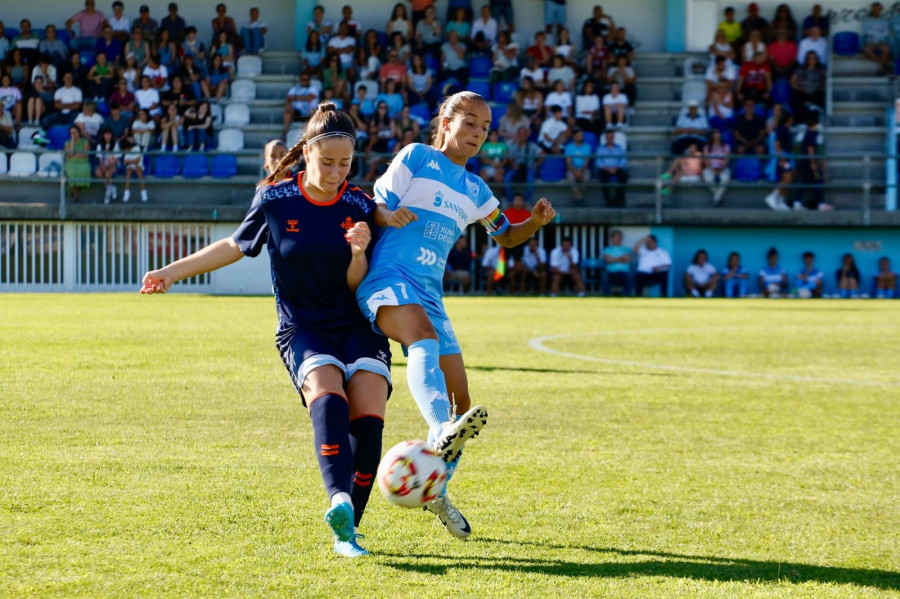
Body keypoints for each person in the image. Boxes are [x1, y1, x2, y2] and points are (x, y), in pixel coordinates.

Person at [141, 103, 388, 558]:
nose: (337, 173)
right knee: (329, 397)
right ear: (305, 155)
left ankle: (350, 520)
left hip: (358, 325)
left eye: (345, 164)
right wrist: (172, 272)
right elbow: (234, 246)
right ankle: (339, 511)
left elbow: (361, 281)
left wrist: (358, 253)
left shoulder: (358, 204)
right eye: (327, 162)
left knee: (369, 425)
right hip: (303, 327)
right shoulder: (274, 199)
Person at [354, 91, 557, 538]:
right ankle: (438, 428)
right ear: (445, 122)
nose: (479, 133)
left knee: (462, 401)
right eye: (470, 122)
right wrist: (389, 216)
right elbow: (375, 203)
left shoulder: (476, 190)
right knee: (423, 343)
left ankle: (433, 487)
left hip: (430, 292)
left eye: (485, 127)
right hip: (388, 277)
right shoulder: (417, 157)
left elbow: (504, 237)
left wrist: (536, 223)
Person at [795, 114, 832, 211]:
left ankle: (797, 202)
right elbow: (810, 148)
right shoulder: (812, 134)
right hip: (810, 164)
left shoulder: (807, 133)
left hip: (805, 163)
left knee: (804, 182)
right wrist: (813, 163)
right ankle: (821, 204)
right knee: (818, 179)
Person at [595, 129, 628, 207]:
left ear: (613, 137)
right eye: (608, 137)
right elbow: (598, 162)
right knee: (602, 177)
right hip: (605, 169)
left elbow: (623, 160)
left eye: (611, 137)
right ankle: (608, 200)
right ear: (606, 138)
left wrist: (616, 168)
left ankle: (618, 199)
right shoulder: (601, 149)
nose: (610, 139)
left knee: (624, 176)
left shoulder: (619, 148)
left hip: (617, 168)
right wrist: (607, 168)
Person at [282, 73, 320, 138]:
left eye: (307, 79)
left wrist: (295, 97)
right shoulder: (294, 89)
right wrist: (302, 97)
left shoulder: (313, 88)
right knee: (288, 107)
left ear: (309, 80)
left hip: (310, 112)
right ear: (300, 80)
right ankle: (285, 132)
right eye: (303, 79)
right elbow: (288, 98)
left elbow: (310, 97)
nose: (305, 81)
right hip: (297, 112)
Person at [702, 128, 731, 205]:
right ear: (712, 135)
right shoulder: (707, 147)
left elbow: (726, 160)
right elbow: (706, 161)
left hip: (723, 168)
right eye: (715, 133)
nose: (717, 134)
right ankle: (717, 198)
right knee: (708, 178)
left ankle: (716, 198)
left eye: (718, 133)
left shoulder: (726, 146)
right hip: (710, 168)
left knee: (725, 178)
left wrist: (721, 169)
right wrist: (713, 170)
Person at [564, 129, 592, 203]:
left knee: (586, 178)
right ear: (574, 137)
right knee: (570, 178)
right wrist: (575, 171)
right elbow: (568, 162)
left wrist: (581, 171)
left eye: (582, 135)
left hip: (584, 169)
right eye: (579, 135)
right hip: (572, 169)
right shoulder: (569, 147)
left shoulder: (587, 147)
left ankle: (577, 198)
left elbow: (587, 162)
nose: (581, 137)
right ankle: (580, 198)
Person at [862, 2, 891, 74]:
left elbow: (886, 32)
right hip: (871, 41)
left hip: (881, 41)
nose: (876, 10)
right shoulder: (866, 20)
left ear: (881, 10)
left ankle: (880, 67)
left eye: (878, 9)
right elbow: (866, 32)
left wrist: (875, 32)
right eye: (875, 9)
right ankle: (882, 64)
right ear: (872, 9)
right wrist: (878, 32)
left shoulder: (885, 20)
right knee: (867, 50)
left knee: (886, 49)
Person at [64, 125, 91, 202]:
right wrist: (72, 140)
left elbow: (84, 155)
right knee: (72, 172)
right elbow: (69, 153)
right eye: (71, 133)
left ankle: (74, 190)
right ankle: (75, 193)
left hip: (83, 162)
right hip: (71, 163)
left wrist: (73, 155)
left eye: (75, 132)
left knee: (85, 169)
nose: (74, 134)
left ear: (79, 132)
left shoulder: (85, 142)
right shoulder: (67, 143)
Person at [602, 229, 632, 296]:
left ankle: (627, 296)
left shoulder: (626, 249)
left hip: (624, 272)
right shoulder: (607, 249)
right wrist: (621, 258)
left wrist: (613, 259)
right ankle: (606, 297)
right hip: (610, 272)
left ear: (620, 237)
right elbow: (607, 260)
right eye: (611, 236)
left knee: (630, 277)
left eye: (613, 236)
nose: (611, 238)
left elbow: (627, 259)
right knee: (604, 276)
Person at [95, 127, 121, 204]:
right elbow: (100, 159)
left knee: (107, 174)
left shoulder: (116, 144)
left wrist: (109, 166)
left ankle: (107, 195)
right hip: (104, 164)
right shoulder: (100, 145)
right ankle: (111, 188)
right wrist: (103, 166)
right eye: (106, 134)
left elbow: (116, 159)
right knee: (98, 173)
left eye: (109, 134)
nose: (107, 135)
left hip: (114, 164)